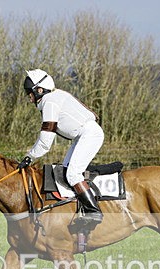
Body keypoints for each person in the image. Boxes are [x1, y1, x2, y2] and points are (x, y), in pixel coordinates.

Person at [18, 69, 104, 231]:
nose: (28, 97)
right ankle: (80, 209)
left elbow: (45, 141)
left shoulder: (49, 102)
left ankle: (94, 212)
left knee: (72, 174)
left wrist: (29, 157)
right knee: (65, 172)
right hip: (83, 135)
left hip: (89, 135)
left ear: (39, 90)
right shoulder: (53, 97)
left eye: (29, 93)